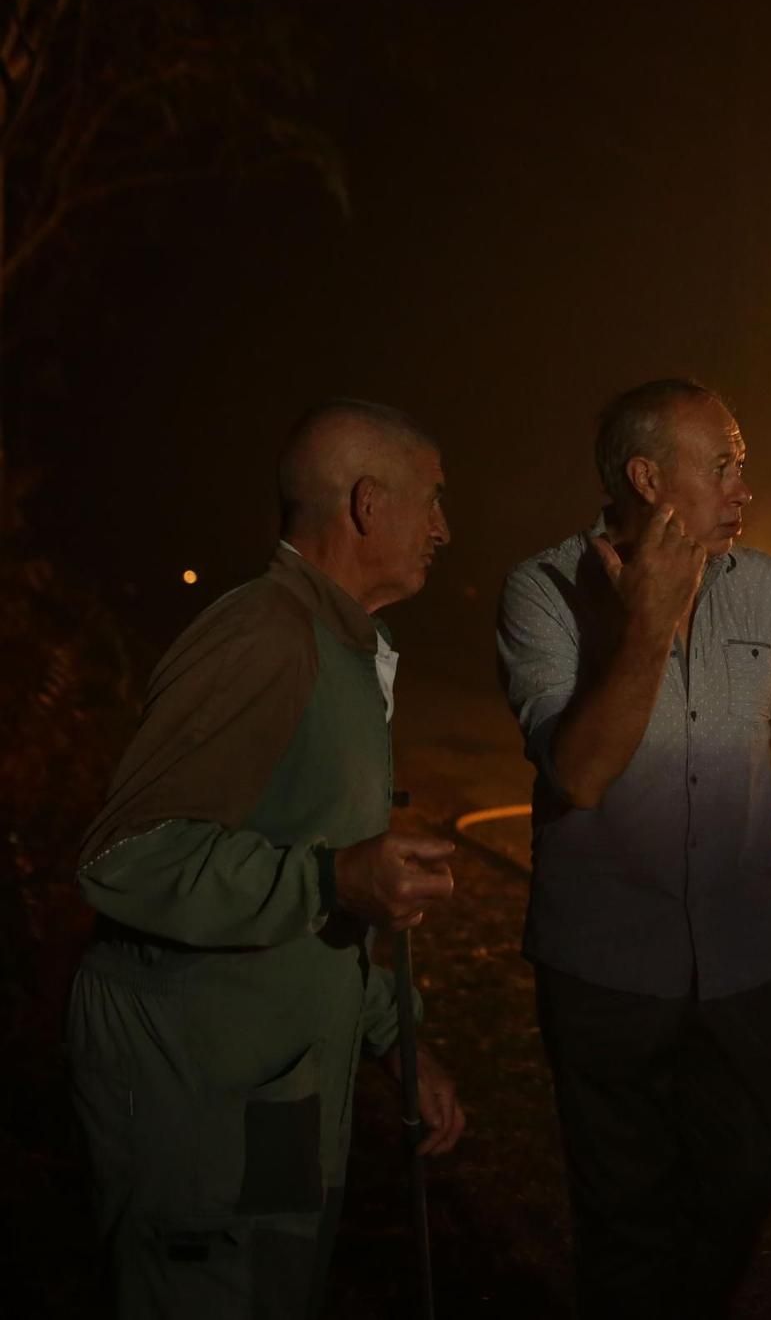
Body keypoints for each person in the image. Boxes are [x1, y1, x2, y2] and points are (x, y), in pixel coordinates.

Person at [67, 398, 468, 1318]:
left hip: (281, 1087)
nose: (446, 528)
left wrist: (394, 1037)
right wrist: (334, 877)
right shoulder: (263, 635)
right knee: (205, 1293)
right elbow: (123, 856)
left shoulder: (344, 649)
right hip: (198, 1092)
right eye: (433, 500)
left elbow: (311, 870)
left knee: (275, 1286)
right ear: (367, 503)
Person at [496, 378, 771, 1316]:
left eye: (742, 464)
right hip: (605, 968)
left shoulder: (767, 586)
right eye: (722, 464)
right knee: (625, 1215)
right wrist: (649, 623)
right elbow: (580, 775)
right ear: (647, 476)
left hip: (746, 961)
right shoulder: (543, 592)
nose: (743, 487)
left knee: (743, 1186)